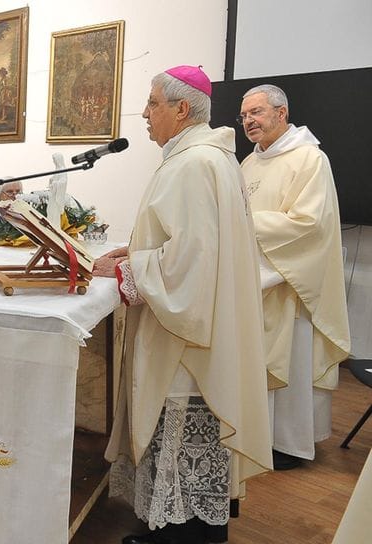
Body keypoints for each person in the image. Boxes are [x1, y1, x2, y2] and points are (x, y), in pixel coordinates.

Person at [91, 66, 272, 544]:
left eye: (153, 103)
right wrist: (136, 251)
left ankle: (180, 537)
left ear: (181, 109)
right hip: (204, 325)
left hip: (188, 338)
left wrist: (130, 272)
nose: (145, 113)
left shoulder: (194, 163)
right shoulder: (204, 158)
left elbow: (189, 264)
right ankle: (172, 527)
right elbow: (192, 241)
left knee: (183, 425)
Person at [238, 84, 350, 471]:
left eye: (256, 112)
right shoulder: (249, 163)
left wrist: (244, 224)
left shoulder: (309, 159)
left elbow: (308, 223)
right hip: (257, 276)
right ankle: (257, 435)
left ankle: (290, 444)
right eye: (244, 116)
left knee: (292, 362)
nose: (249, 121)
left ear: (281, 113)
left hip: (290, 281)